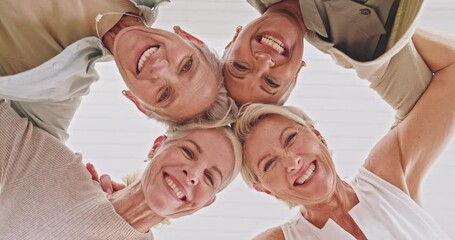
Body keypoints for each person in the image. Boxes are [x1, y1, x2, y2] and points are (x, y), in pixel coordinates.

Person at [232, 30, 455, 239]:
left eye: (290, 138)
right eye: (269, 164)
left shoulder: (384, 177)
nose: (292, 162)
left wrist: (368, 30)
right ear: (264, 189)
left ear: (317, 135)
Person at [0, 98, 242, 239]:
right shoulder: (56, 173)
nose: (193, 175)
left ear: (206, 203)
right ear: (157, 146)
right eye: (188, 152)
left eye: (210, 177)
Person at [0, 0, 236, 142]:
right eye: (187, 66)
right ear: (189, 38)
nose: (160, 69)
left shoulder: (53, 87)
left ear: (138, 102)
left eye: (164, 94)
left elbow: (35, 163)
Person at [223, 0, 430, 127]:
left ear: (232, 41)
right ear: (296, 74)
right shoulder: (365, 48)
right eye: (270, 82)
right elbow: (425, 110)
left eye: (240, 67)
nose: (264, 61)